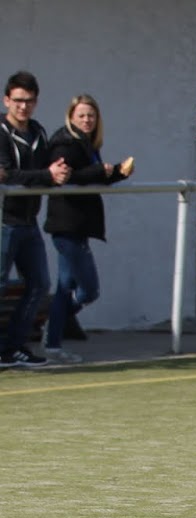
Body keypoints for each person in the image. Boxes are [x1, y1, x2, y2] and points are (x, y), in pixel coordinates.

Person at [43, 94, 133, 364]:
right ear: (71, 117)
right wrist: (99, 171)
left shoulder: (88, 144)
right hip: (66, 224)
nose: (86, 120)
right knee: (89, 290)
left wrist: (117, 173)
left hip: (78, 226)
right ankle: (53, 324)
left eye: (91, 116)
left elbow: (92, 179)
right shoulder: (64, 143)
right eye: (81, 115)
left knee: (64, 288)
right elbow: (67, 178)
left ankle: (52, 344)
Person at [0, 71, 70, 368]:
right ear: (6, 100)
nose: (23, 106)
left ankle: (13, 348)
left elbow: (47, 170)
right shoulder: (1, 132)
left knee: (40, 284)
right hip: (4, 222)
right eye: (18, 100)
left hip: (28, 222)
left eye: (29, 101)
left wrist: (59, 172)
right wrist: (46, 175)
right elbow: (6, 174)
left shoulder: (39, 132)